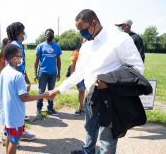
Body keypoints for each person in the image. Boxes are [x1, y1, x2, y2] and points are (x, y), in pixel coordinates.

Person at [50, 9, 144, 154]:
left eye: (83, 29)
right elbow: (78, 73)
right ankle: (88, 151)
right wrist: (59, 90)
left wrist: (110, 81)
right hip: (90, 96)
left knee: (107, 138)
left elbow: (137, 68)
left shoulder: (119, 39)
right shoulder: (86, 46)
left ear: (94, 23)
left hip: (109, 99)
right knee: (90, 127)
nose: (82, 33)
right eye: (79, 30)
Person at [0, 44, 52, 154]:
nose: (22, 57)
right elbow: (24, 98)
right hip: (15, 115)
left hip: (7, 114)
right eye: (21, 55)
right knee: (14, 141)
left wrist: (24, 91)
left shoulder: (4, 71)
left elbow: (10, 91)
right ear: (14, 58)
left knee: (9, 136)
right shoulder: (17, 75)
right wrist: (44, 95)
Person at [6, 22, 35, 140]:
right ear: (18, 32)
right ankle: (9, 134)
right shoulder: (15, 46)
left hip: (19, 80)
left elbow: (21, 66)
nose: (25, 34)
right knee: (15, 108)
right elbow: (15, 67)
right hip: (16, 82)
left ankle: (20, 131)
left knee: (19, 108)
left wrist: (27, 80)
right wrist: (21, 83)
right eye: (23, 31)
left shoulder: (18, 45)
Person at [34, 28, 62, 116]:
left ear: (53, 35)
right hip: (42, 72)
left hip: (53, 73)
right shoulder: (40, 46)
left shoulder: (56, 47)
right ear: (45, 35)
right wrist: (35, 73)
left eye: (51, 34)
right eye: (47, 34)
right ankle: (38, 108)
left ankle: (50, 108)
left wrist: (59, 72)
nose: (49, 35)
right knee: (41, 91)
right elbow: (36, 60)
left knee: (51, 91)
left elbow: (58, 60)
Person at [70, 38, 87, 115]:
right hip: (79, 74)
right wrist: (71, 75)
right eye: (83, 42)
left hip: (88, 74)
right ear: (81, 43)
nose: (85, 43)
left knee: (90, 91)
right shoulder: (77, 52)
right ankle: (80, 107)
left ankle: (87, 107)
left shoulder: (93, 51)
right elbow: (72, 64)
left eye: (87, 41)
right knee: (81, 90)